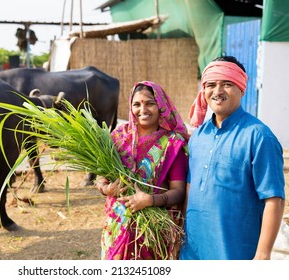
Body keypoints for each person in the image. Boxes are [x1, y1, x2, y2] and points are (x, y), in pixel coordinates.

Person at [180, 56, 286, 260]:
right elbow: (189, 190)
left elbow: (274, 199)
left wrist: (262, 255)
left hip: (236, 254)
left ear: (241, 88)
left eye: (227, 84)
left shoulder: (259, 136)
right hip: (192, 254)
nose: (218, 91)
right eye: (211, 84)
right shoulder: (198, 137)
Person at [96, 81, 189, 260]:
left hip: (152, 235)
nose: (143, 109)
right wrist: (106, 189)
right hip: (117, 226)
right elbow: (101, 177)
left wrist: (150, 201)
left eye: (150, 103)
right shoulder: (117, 137)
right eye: (137, 104)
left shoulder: (172, 144)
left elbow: (179, 192)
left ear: (161, 106)